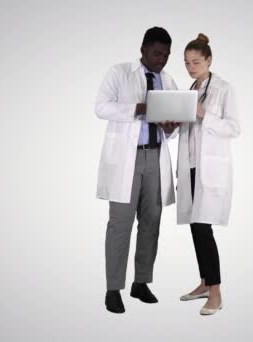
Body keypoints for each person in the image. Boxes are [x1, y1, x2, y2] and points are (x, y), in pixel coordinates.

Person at [95, 27, 180, 314]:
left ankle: (141, 282)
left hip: (156, 158)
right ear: (143, 49)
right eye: (157, 53)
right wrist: (139, 108)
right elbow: (101, 107)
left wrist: (171, 127)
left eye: (166, 55)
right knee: (120, 224)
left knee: (151, 222)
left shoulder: (167, 80)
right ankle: (113, 288)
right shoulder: (119, 72)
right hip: (126, 161)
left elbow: (171, 126)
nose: (162, 60)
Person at [176, 33, 240, 315]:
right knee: (195, 226)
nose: (191, 67)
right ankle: (203, 282)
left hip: (210, 167)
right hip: (190, 165)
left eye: (196, 62)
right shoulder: (190, 88)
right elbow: (189, 130)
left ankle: (216, 293)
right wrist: (174, 122)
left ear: (209, 60)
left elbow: (234, 128)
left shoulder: (224, 88)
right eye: (187, 62)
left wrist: (204, 114)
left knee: (204, 229)